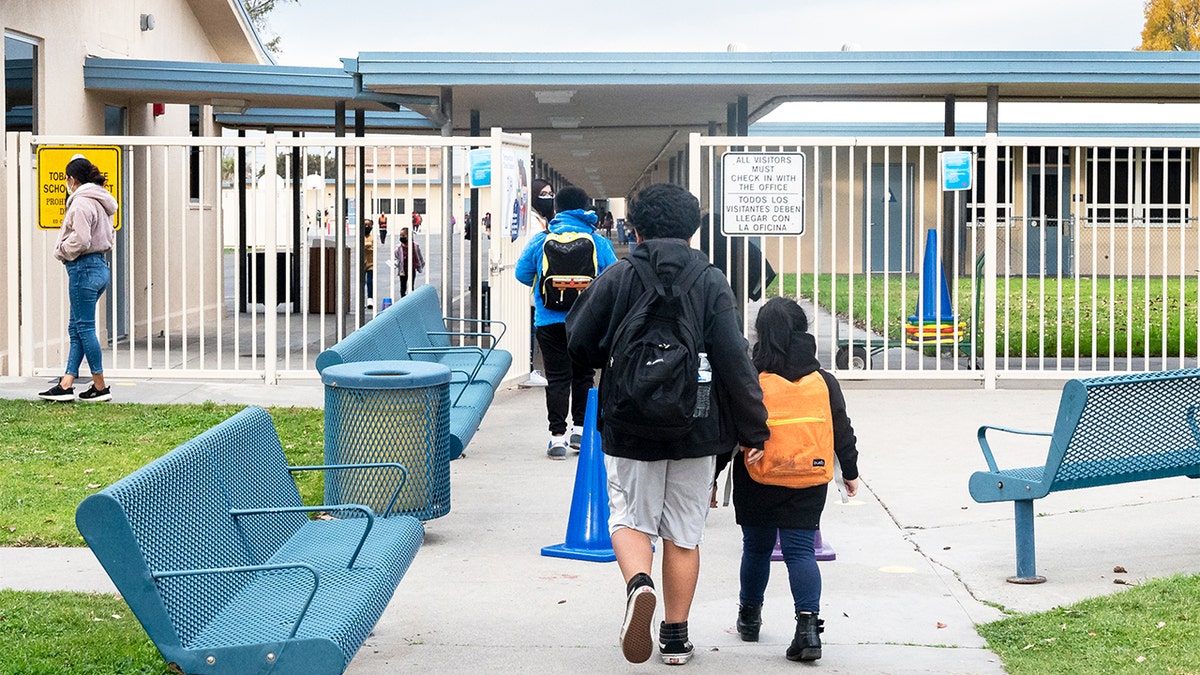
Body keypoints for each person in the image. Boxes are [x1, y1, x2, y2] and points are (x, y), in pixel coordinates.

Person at [566, 182, 770, 665]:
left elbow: (578, 339)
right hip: (698, 424)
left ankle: (639, 584)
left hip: (629, 422)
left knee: (629, 518)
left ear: (634, 228)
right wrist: (754, 429)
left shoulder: (619, 276)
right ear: (693, 228)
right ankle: (675, 638)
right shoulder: (712, 281)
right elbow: (735, 359)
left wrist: (613, 359)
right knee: (683, 533)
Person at [733, 296, 860, 662]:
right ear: (803, 332)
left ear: (762, 335)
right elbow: (841, 429)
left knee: (756, 547)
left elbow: (733, 428)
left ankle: (750, 616)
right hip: (809, 476)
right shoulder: (823, 381)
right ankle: (808, 629)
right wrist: (849, 472)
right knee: (800, 551)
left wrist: (713, 477)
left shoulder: (753, 378)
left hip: (757, 477)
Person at [515, 185, 617, 459]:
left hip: (549, 321)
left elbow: (521, 274)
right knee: (584, 375)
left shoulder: (541, 240)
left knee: (557, 378)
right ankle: (580, 431)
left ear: (557, 209)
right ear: (585, 209)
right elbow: (614, 277)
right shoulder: (598, 242)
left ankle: (556, 438)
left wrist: (542, 287)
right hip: (587, 321)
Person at [39, 155, 118, 403]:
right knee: (77, 327)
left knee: (83, 328)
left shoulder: (81, 203)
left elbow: (81, 240)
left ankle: (100, 385)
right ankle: (66, 383)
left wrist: (61, 250)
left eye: (66, 179)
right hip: (99, 267)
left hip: (83, 268)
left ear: (72, 180)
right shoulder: (102, 201)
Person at [522, 179, 555, 388]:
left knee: (532, 327)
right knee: (529, 327)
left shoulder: (540, 219)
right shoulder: (533, 222)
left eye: (550, 193)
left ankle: (529, 366)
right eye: (543, 193)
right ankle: (526, 367)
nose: (548, 197)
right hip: (533, 282)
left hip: (536, 284)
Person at [393, 227, 424, 297]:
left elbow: (419, 256)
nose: (401, 237)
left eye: (403, 236)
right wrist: (395, 264)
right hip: (402, 270)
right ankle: (403, 298)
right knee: (403, 286)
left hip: (412, 268)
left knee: (411, 285)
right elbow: (396, 257)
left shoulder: (415, 246)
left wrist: (420, 265)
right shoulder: (398, 248)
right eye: (400, 236)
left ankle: (410, 298)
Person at [362, 219, 375, 310]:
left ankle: (370, 298)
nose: (367, 227)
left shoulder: (372, 238)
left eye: (369, 225)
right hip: (361, 263)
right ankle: (361, 299)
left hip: (371, 262)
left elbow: (373, 248)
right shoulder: (360, 237)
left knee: (370, 281)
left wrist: (367, 246)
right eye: (365, 225)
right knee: (361, 282)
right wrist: (368, 245)